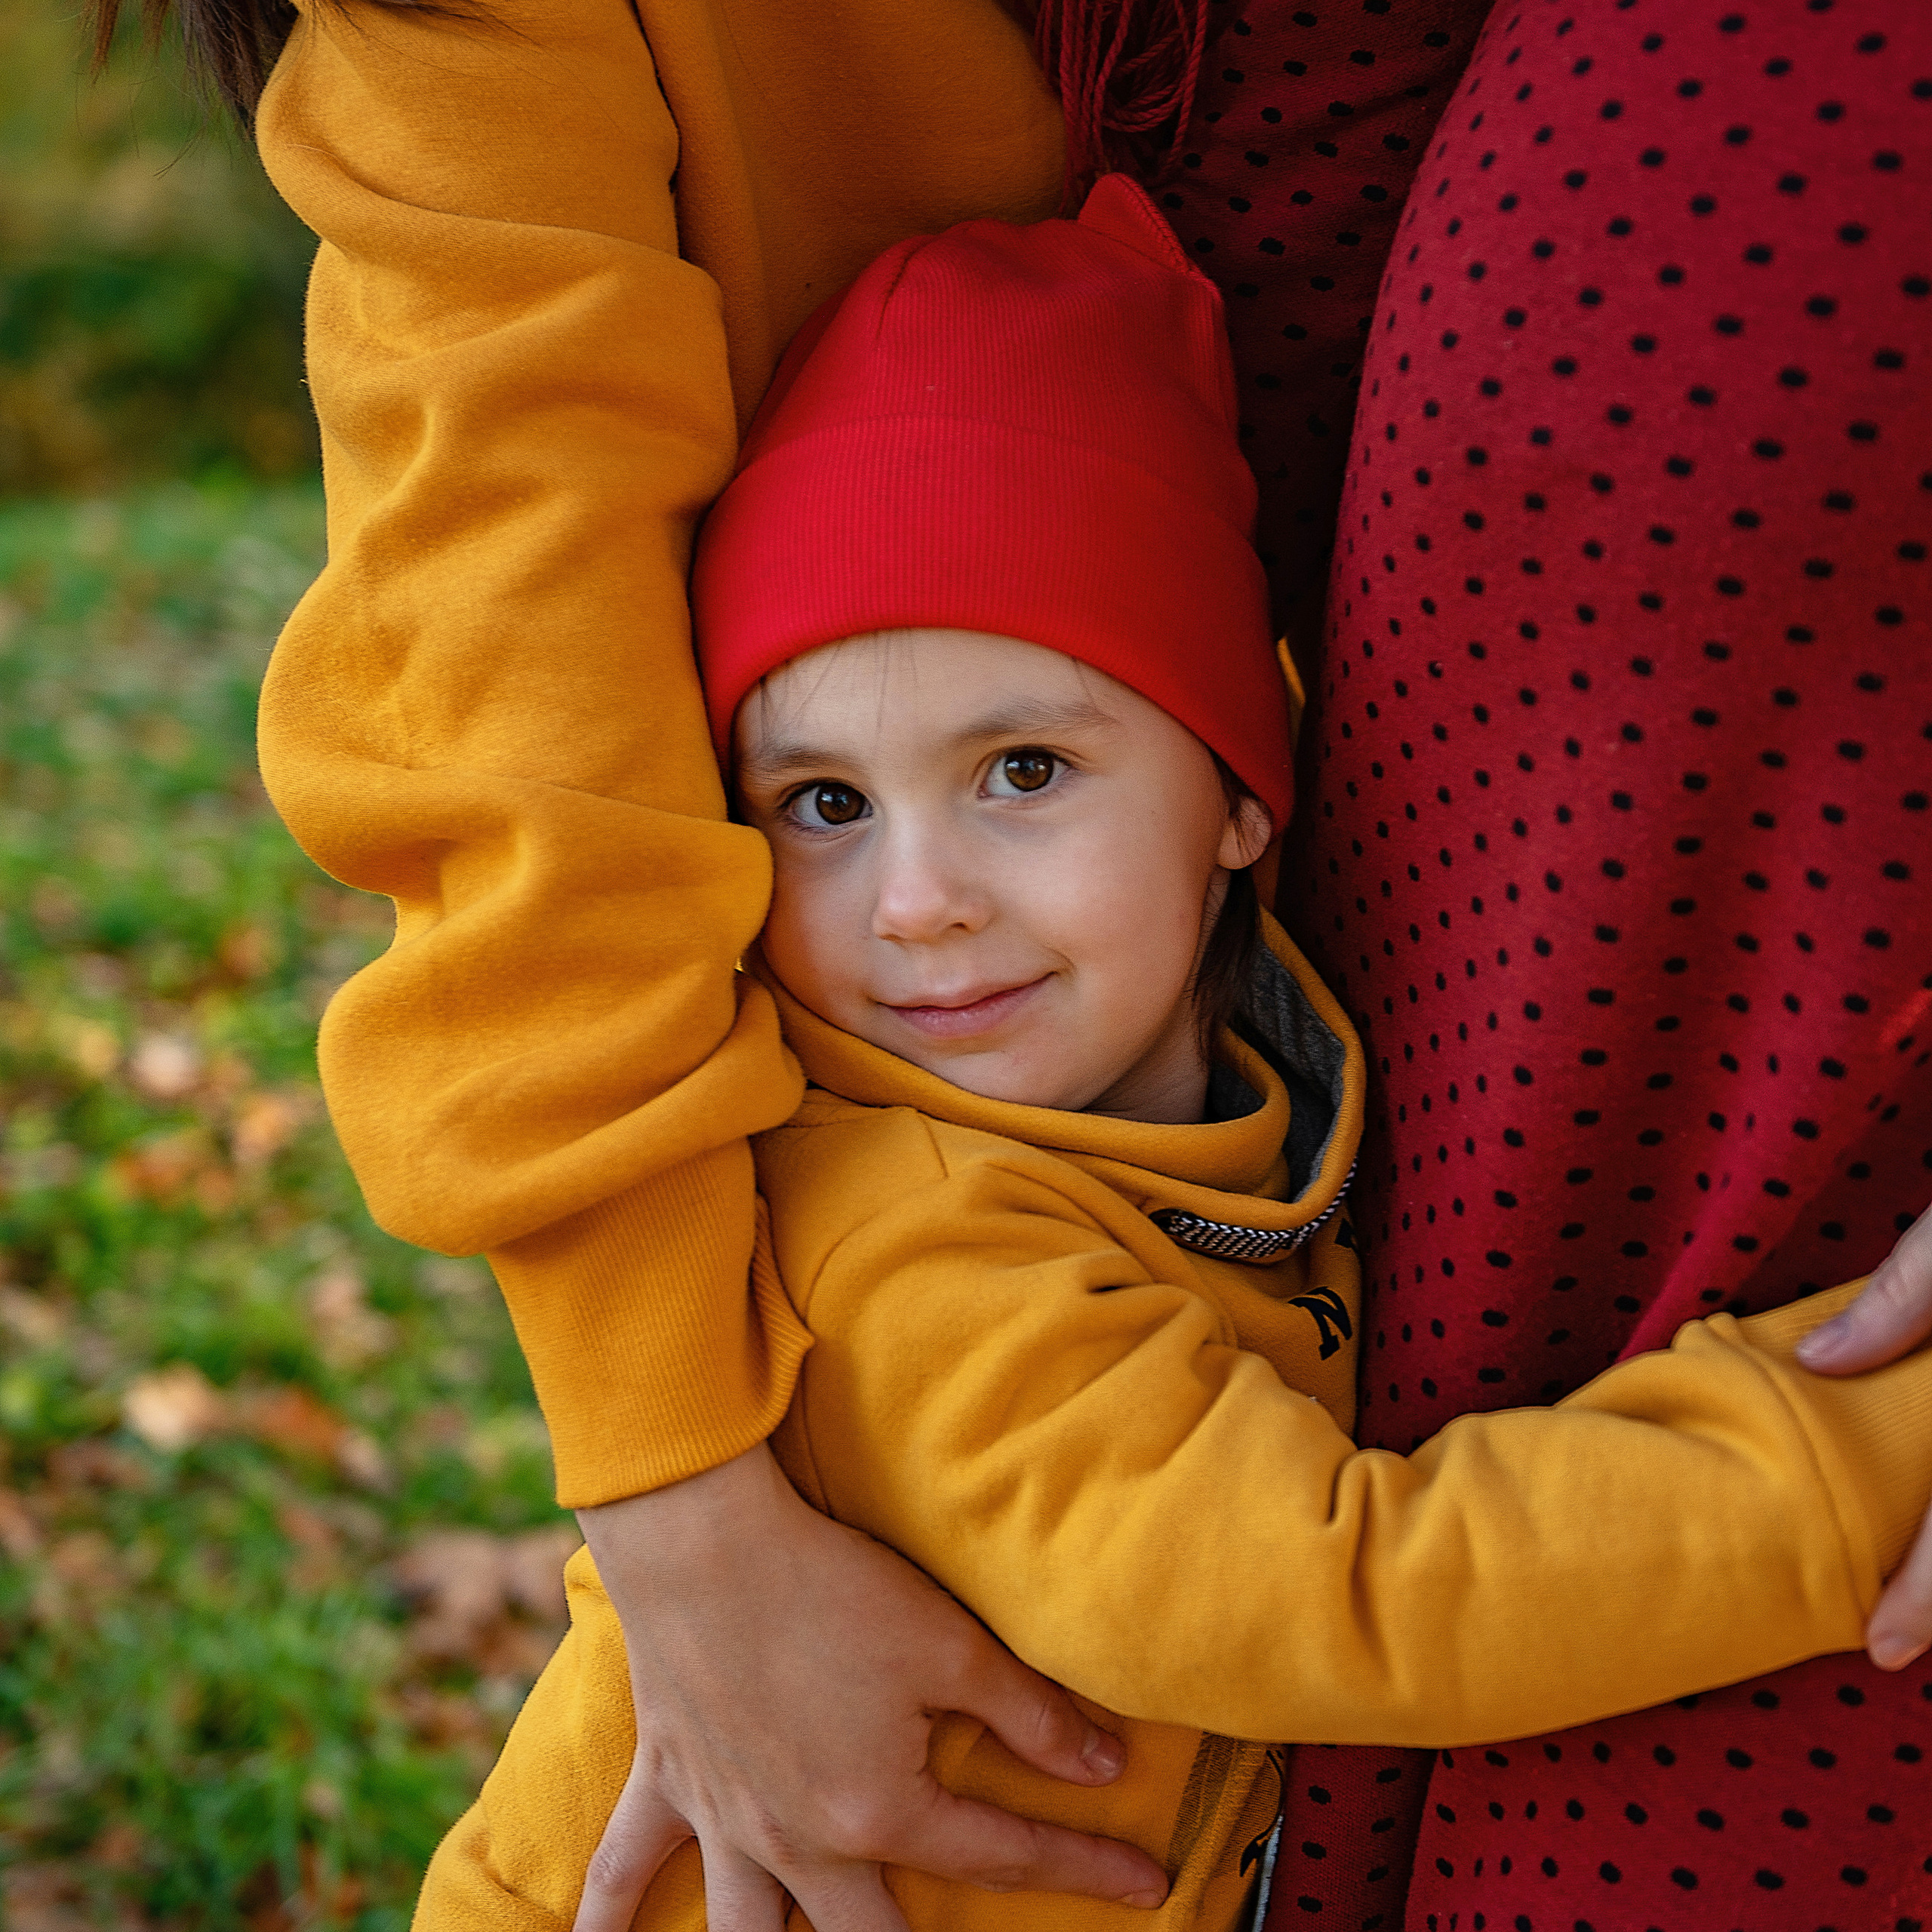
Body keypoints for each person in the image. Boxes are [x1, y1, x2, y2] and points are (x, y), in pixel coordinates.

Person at [91, 0, 1930, 1919]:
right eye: (814, 805)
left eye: (1022, 774)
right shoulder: (936, 1270)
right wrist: (1862, 1452)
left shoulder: (1198, 1121)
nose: (915, 902)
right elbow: (1353, 1594)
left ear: (1238, 796)